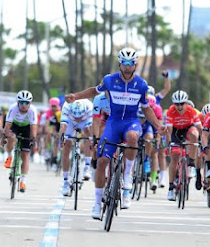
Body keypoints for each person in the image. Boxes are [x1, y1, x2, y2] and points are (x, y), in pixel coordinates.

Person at [65, 47, 166, 219]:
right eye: (124, 63)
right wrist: (76, 96)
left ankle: (127, 179)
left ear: (135, 65)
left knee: (133, 137)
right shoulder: (110, 80)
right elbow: (92, 91)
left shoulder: (141, 85)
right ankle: (97, 204)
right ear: (120, 63)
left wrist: (158, 125)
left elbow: (146, 109)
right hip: (114, 121)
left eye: (131, 63)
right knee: (103, 160)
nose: (127, 66)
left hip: (131, 121)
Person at [165, 90, 202, 201]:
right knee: (175, 158)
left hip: (187, 129)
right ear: (173, 103)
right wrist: (168, 144)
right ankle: (171, 188)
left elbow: (199, 128)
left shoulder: (191, 111)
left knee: (195, 135)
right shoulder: (170, 112)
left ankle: (191, 163)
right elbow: (169, 131)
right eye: (177, 104)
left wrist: (202, 141)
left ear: (186, 103)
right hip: (175, 132)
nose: (180, 106)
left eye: (182, 103)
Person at [3, 90, 37, 193]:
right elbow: (7, 126)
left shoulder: (32, 111)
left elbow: (33, 128)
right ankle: (9, 156)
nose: (23, 105)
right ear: (18, 102)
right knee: (11, 137)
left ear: (29, 103)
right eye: (21, 102)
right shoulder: (13, 108)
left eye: (26, 103)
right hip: (15, 126)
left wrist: (33, 140)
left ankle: (23, 181)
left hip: (27, 128)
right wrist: (5, 136)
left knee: (25, 155)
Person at [59, 99, 93, 196]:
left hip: (85, 121)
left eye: (80, 116)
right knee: (66, 146)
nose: (78, 118)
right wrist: (62, 140)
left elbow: (91, 128)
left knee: (89, 136)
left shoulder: (89, 106)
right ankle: (65, 182)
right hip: (70, 122)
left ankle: (87, 167)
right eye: (76, 117)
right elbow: (63, 127)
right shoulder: (66, 107)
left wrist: (91, 139)